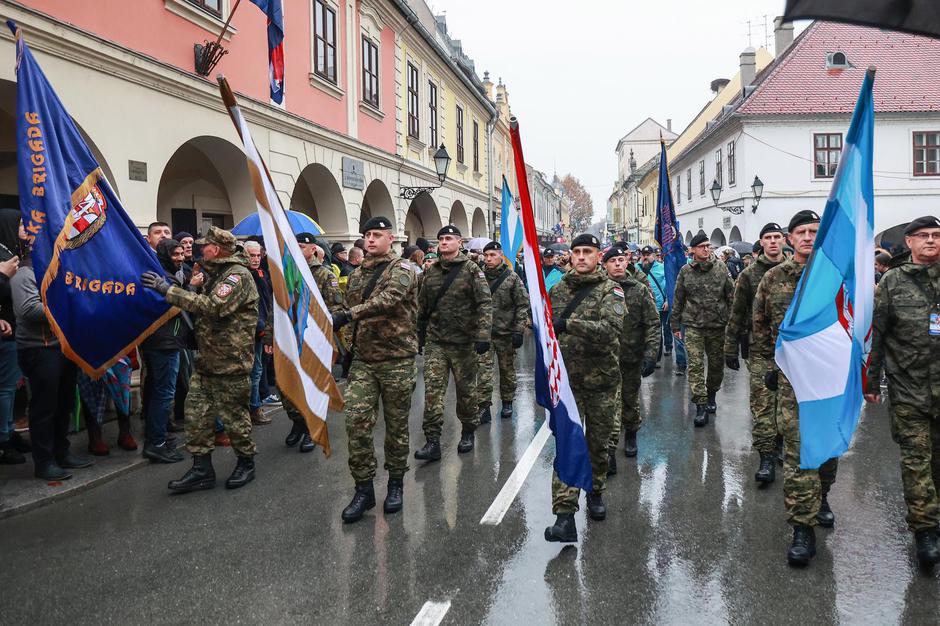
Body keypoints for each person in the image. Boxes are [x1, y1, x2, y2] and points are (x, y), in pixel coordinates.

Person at [141, 226, 260, 492]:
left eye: (205, 245)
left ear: (216, 249)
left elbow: (212, 307)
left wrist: (167, 290)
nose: (199, 249)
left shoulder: (237, 276)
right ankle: (201, 469)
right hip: (208, 360)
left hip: (230, 363)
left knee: (234, 418)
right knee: (196, 415)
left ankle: (246, 462)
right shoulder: (216, 274)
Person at [753, 210, 837, 567]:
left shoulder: (836, 275)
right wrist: (767, 368)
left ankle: (822, 495)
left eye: (814, 231)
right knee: (798, 452)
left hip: (830, 379)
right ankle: (802, 528)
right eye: (801, 231)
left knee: (828, 448)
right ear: (790, 238)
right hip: (791, 380)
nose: (807, 237)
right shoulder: (773, 278)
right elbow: (759, 326)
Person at [329, 216, 419, 523]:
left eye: (377, 235)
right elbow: (346, 307)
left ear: (390, 239)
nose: (370, 239)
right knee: (356, 422)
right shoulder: (356, 275)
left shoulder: (402, 269)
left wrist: (348, 316)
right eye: (367, 234)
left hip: (397, 360)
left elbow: (388, 300)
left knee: (396, 426)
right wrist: (344, 341)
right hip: (364, 361)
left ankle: (395, 483)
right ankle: (364, 489)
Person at [866, 215, 940, 569]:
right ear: (909, 242)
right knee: (916, 461)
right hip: (909, 388)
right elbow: (878, 334)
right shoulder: (893, 282)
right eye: (923, 235)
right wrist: (871, 382)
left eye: (937, 235)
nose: (931, 241)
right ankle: (925, 530)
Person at [544, 233, 622, 543]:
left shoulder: (611, 290)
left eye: (587, 252)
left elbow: (610, 329)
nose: (580, 257)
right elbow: (545, 324)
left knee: (597, 445)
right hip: (567, 384)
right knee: (567, 446)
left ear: (598, 256)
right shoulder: (559, 288)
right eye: (576, 251)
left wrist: (568, 324)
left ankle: (596, 490)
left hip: (601, 381)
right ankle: (564, 516)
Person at [11, 220, 92, 480]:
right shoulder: (24, 273)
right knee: (44, 407)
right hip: (39, 348)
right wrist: (68, 305)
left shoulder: (56, 271)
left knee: (64, 403)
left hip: (62, 348)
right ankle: (44, 462)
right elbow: (28, 310)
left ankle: (62, 452)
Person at [415, 225, 492, 459]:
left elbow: (484, 303)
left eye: (449, 238)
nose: (444, 242)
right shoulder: (431, 271)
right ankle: (432, 441)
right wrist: (418, 333)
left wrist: (483, 335)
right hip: (436, 342)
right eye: (441, 239)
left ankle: (468, 431)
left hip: (463, 343)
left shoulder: (471, 270)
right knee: (432, 393)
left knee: (466, 392)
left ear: (460, 243)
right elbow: (422, 305)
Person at [725, 223, 786, 484]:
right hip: (760, 348)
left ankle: (781, 442)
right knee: (763, 404)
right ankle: (766, 457)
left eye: (777, 237)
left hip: (792, 351)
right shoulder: (748, 275)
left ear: (784, 240)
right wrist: (730, 347)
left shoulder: (799, 271)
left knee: (785, 403)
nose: (772, 241)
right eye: (767, 238)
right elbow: (737, 312)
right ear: (761, 242)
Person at [281, 232, 346, 452]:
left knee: (312, 385)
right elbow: (279, 305)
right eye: (295, 246)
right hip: (290, 336)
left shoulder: (325, 275)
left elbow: (336, 307)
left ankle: (312, 427)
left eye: (301, 246)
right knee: (287, 383)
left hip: (314, 338)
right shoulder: (288, 272)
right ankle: (297, 422)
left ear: (312, 249)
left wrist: (322, 332)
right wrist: (272, 333)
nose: (297, 250)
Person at [602, 245, 659, 467]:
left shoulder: (639, 289)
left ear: (627, 262)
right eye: (612, 261)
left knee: (629, 398)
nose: (617, 264)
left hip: (631, 356)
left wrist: (651, 354)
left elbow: (652, 322)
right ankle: (609, 449)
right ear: (605, 265)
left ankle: (631, 433)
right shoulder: (599, 289)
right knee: (607, 403)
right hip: (604, 357)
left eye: (620, 260)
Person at [671, 234, 733, 427]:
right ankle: (701, 405)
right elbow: (678, 298)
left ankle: (712, 394)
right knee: (695, 366)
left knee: (716, 366)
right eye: (701, 246)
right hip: (693, 325)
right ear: (692, 250)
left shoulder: (721, 268)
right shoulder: (685, 271)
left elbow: (731, 297)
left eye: (708, 246)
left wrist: (733, 325)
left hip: (717, 325)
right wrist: (675, 325)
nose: (706, 249)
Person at [138, 238, 189, 464]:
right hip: (163, 344)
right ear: (164, 255)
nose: (180, 258)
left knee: (158, 391)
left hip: (162, 342)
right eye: (175, 254)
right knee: (164, 393)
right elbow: (182, 305)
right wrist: (191, 287)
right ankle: (156, 443)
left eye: (182, 254)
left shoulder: (165, 276)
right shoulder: (162, 279)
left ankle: (157, 437)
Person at [477, 241, 528, 422]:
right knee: (483, 371)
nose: (488, 259)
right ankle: (484, 406)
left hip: (506, 333)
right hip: (484, 335)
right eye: (486, 255)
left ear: (500, 255)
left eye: (492, 255)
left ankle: (507, 401)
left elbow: (522, 305)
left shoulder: (512, 278)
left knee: (507, 371)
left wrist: (519, 331)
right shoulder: (478, 277)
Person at [0, 208, 27, 464]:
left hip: (14, 330)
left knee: (12, 387)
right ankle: (4, 439)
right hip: (5, 332)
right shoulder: (3, 257)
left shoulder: (13, 253)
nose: (25, 229)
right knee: (5, 389)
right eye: (20, 224)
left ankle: (9, 432)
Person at [637, 245, 686, 375]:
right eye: (644, 255)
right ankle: (656, 359)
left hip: (663, 305)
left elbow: (668, 285)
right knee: (656, 332)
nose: (646, 257)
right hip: (648, 306)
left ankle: (671, 349)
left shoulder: (662, 267)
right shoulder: (637, 268)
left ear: (653, 255)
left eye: (648, 254)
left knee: (668, 328)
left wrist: (667, 301)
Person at [244, 240, 272, 427]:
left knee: (258, 370)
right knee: (254, 371)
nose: (255, 259)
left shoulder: (262, 273)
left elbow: (266, 302)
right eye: (251, 255)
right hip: (250, 329)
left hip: (262, 327)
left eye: (257, 255)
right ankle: (254, 408)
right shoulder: (243, 275)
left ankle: (254, 406)